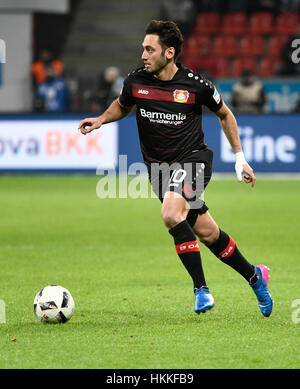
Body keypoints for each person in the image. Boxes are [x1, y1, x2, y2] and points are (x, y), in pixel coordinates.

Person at [78, 20, 273, 317]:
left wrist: (239, 157)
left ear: (169, 53)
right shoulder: (136, 81)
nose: (143, 55)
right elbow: (122, 104)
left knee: (170, 214)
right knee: (207, 233)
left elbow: (225, 114)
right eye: (142, 48)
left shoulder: (196, 85)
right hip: (160, 172)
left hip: (194, 159)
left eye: (149, 49)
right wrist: (101, 119)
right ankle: (255, 276)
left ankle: (201, 290)